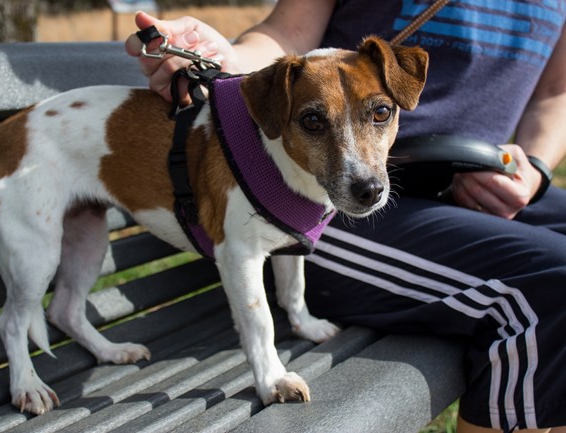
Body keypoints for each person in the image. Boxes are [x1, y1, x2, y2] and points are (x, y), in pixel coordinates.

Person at [125, 1, 566, 432]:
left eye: (380, 113)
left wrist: (536, 169)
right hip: (322, 205)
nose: (362, 153)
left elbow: (556, 91)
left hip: (481, 179)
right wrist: (226, 60)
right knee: (554, 282)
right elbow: (288, 34)